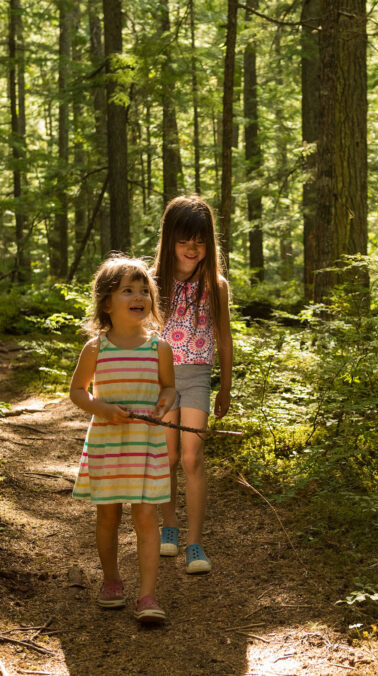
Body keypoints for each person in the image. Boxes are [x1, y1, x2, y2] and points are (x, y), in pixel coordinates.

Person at [70, 255, 177, 623]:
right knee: (108, 515)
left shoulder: (158, 348)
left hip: (144, 445)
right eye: (127, 290)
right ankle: (112, 580)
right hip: (108, 444)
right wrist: (102, 408)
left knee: (146, 517)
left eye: (144, 290)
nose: (139, 296)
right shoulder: (96, 348)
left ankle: (147, 595)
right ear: (106, 303)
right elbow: (78, 392)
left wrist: (166, 401)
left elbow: (169, 388)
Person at [151, 196, 233, 574]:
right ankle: (169, 527)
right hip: (160, 381)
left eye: (199, 242)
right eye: (184, 241)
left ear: (209, 243)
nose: (191, 249)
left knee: (191, 458)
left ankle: (195, 543)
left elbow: (225, 338)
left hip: (198, 377)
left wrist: (226, 386)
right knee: (166, 459)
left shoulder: (215, 285)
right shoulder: (152, 283)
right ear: (170, 240)